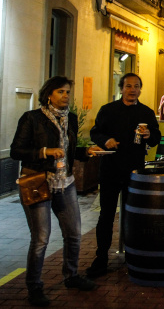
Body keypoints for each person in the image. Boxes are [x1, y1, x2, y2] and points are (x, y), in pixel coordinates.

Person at [10, 76, 98, 306]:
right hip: (39, 182)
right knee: (41, 238)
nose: (66, 96)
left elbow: (68, 151)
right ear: (49, 94)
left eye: (68, 92)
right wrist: (44, 151)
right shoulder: (32, 118)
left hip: (65, 183)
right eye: (60, 91)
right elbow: (16, 151)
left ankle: (71, 275)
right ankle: (35, 287)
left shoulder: (71, 118)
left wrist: (85, 152)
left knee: (74, 233)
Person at [87, 73, 161, 278]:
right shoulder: (108, 110)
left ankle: (133, 255)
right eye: (128, 86)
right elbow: (95, 132)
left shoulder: (146, 112)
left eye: (136, 86)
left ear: (140, 89)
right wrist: (106, 139)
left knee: (133, 216)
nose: (132, 90)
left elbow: (156, 138)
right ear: (121, 88)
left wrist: (149, 135)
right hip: (110, 170)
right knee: (106, 216)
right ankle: (101, 258)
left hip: (135, 172)